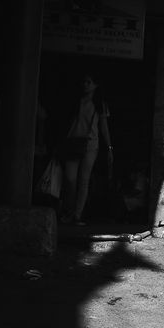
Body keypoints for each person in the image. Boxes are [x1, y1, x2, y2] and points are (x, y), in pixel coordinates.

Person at [59, 73, 112, 225]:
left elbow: (104, 127)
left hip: (90, 144)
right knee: (70, 179)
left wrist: (109, 147)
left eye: (89, 82)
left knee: (83, 180)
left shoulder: (99, 104)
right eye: (84, 82)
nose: (86, 84)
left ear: (95, 85)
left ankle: (76, 215)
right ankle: (69, 211)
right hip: (73, 141)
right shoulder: (76, 101)